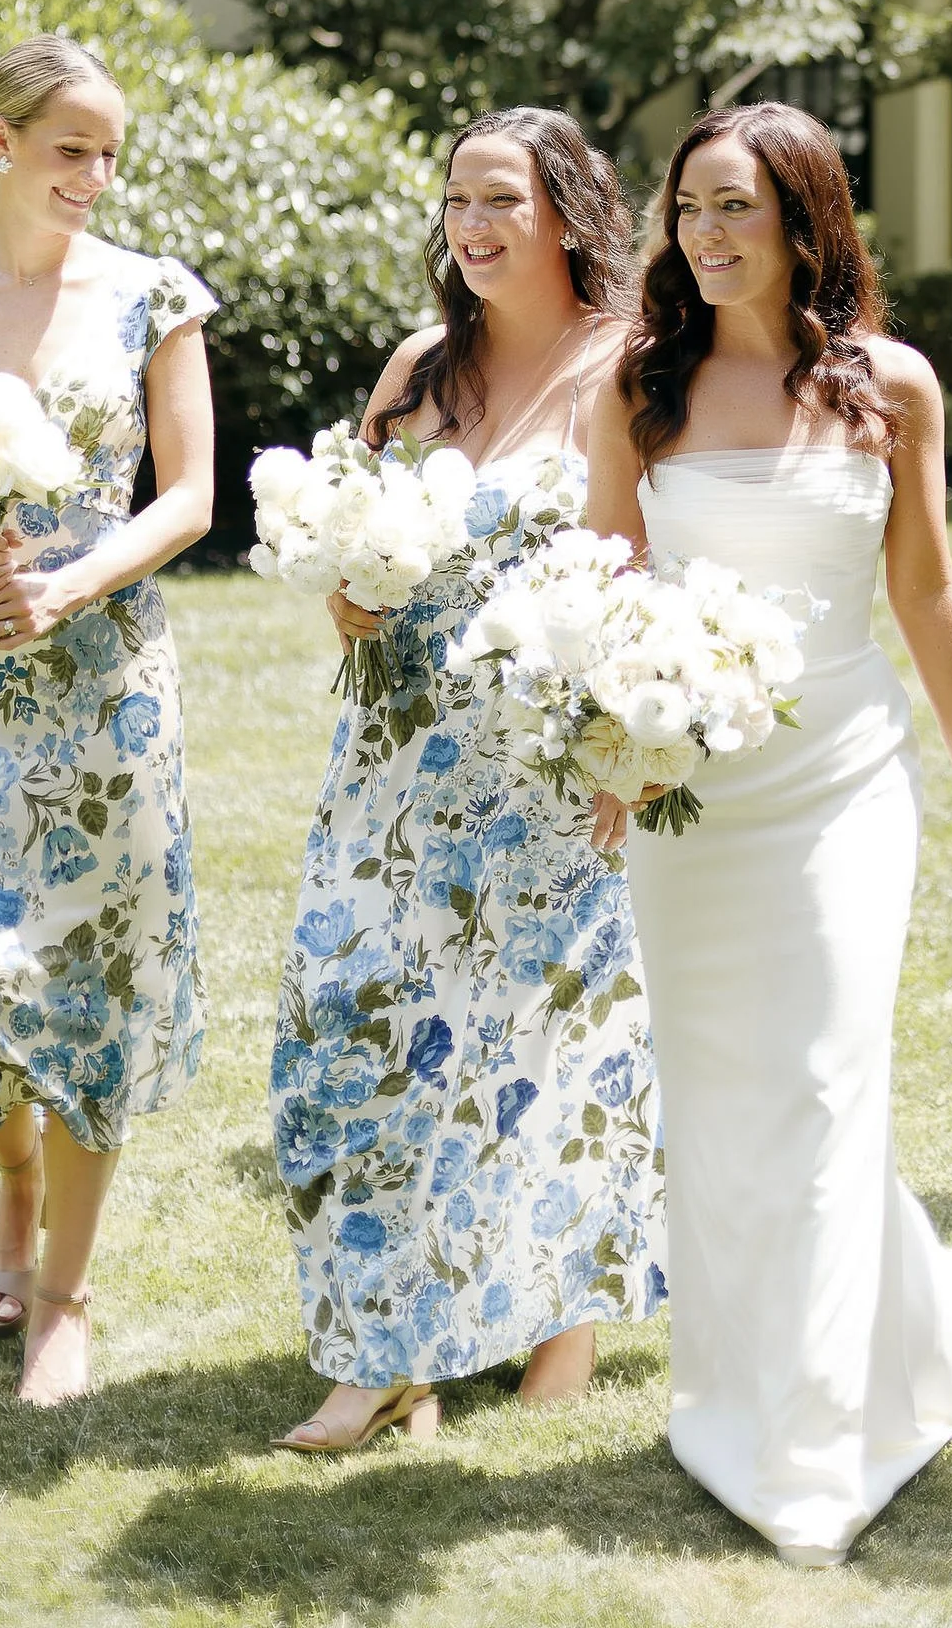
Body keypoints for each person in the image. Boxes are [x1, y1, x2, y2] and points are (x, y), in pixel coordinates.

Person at [587, 102, 952, 1569]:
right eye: (688, 209)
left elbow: (928, 590)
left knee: (824, 1083)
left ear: (804, 217)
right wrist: (609, 755)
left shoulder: (889, 385)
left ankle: (817, 1444)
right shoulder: (639, 385)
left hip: (842, 783)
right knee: (719, 1092)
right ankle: (741, 1390)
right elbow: (604, 585)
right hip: (691, 802)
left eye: (734, 208)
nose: (704, 235)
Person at [269, 109, 665, 1455]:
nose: (474, 224)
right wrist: (348, 593)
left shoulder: (630, 367)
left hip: (547, 766)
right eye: (457, 201)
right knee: (365, 1023)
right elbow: (344, 537)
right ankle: (396, 1350)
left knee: (543, 1044)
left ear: (566, 211)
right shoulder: (419, 368)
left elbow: (641, 566)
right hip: (393, 756)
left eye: (502, 197)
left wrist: (626, 743)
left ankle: (559, 1335)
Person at [0, 35, 215, 1405]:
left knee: (93, 984)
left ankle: (66, 1289)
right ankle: (7, 1178)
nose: (96, 175)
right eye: (72, 148)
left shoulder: (153, 297)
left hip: (105, 676)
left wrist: (67, 583)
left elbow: (187, 498)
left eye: (111, 152)